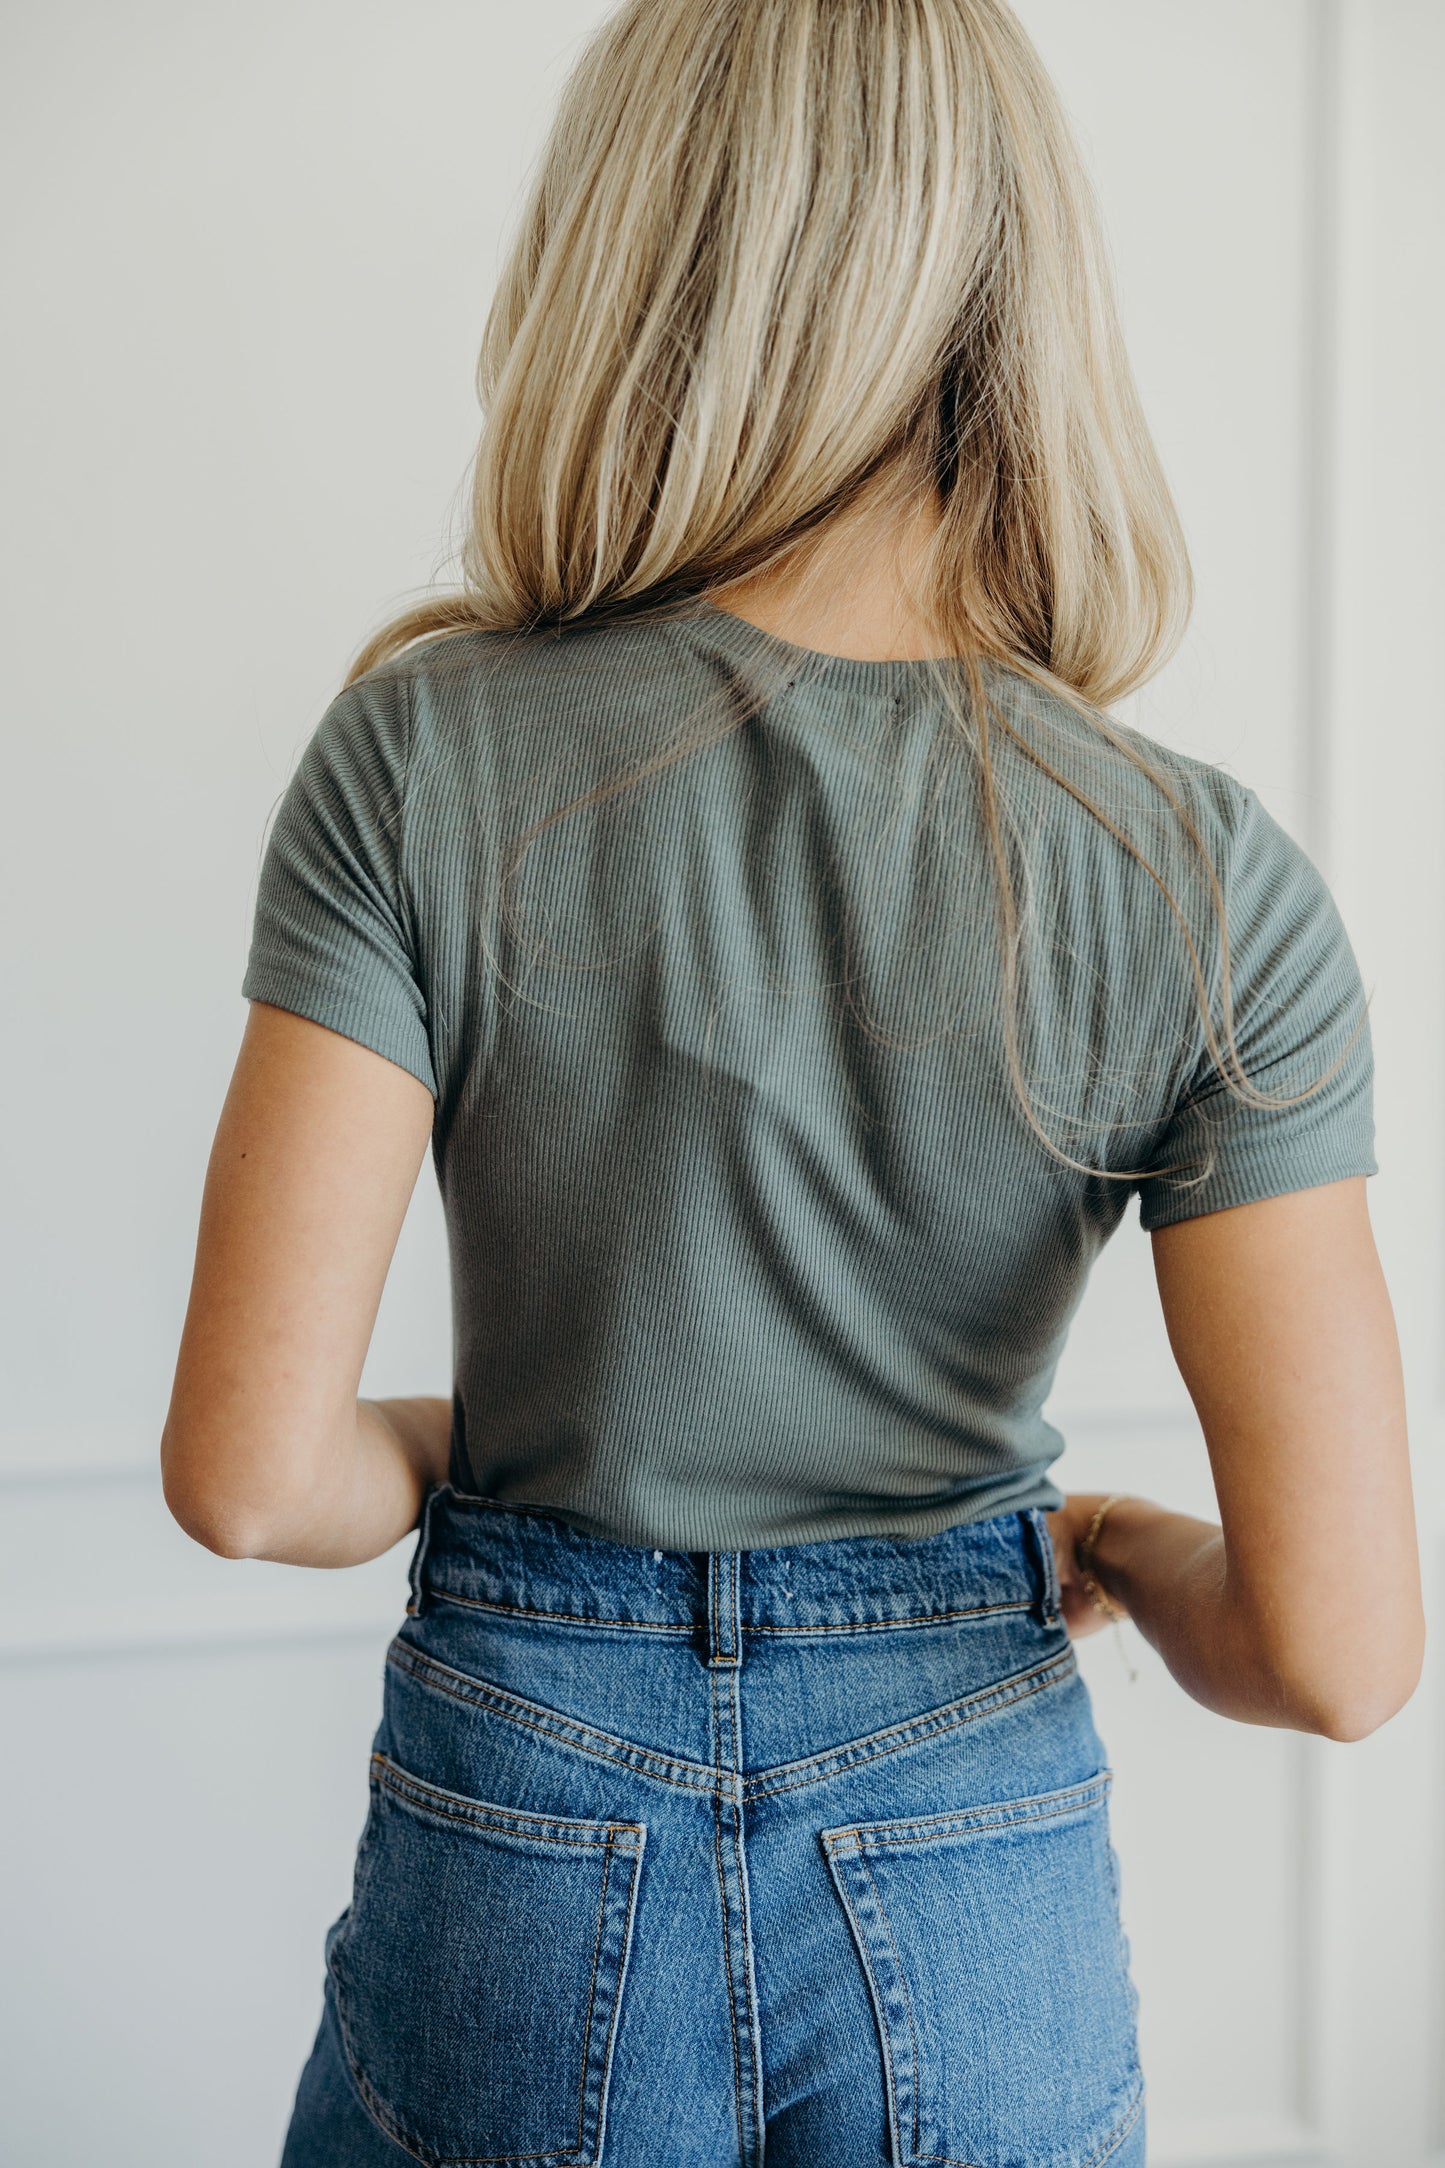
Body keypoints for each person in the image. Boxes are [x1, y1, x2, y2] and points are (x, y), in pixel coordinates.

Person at [160, 1, 1423, 2162]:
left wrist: (529, 1440)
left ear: (634, 265)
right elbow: (1335, 1651)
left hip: (525, 1817)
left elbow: (254, 1477)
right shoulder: (1203, 878)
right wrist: (1107, 1533)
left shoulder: (425, 758)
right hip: (972, 1829)